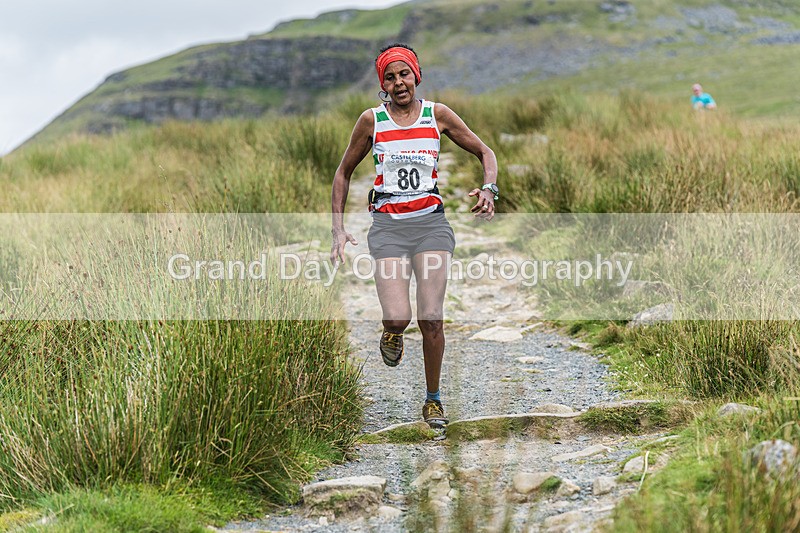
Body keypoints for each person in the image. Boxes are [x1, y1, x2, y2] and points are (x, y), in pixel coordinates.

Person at [329, 43, 498, 428]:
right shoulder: (371, 121)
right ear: (383, 84)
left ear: (416, 75)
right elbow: (342, 173)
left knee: (431, 317)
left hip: (431, 226)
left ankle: (433, 400)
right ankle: (392, 333)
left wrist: (489, 189)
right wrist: (338, 228)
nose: (399, 83)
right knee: (397, 317)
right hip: (388, 229)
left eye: (404, 74)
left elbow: (485, 152)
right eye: (390, 77)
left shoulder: (437, 115)